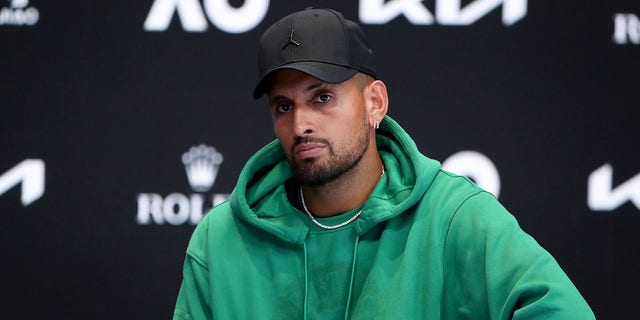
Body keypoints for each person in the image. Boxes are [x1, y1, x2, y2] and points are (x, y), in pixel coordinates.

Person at [173, 8, 595, 320]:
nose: (300, 123)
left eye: (322, 98)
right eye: (284, 106)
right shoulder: (220, 241)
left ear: (374, 102)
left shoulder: (453, 217)